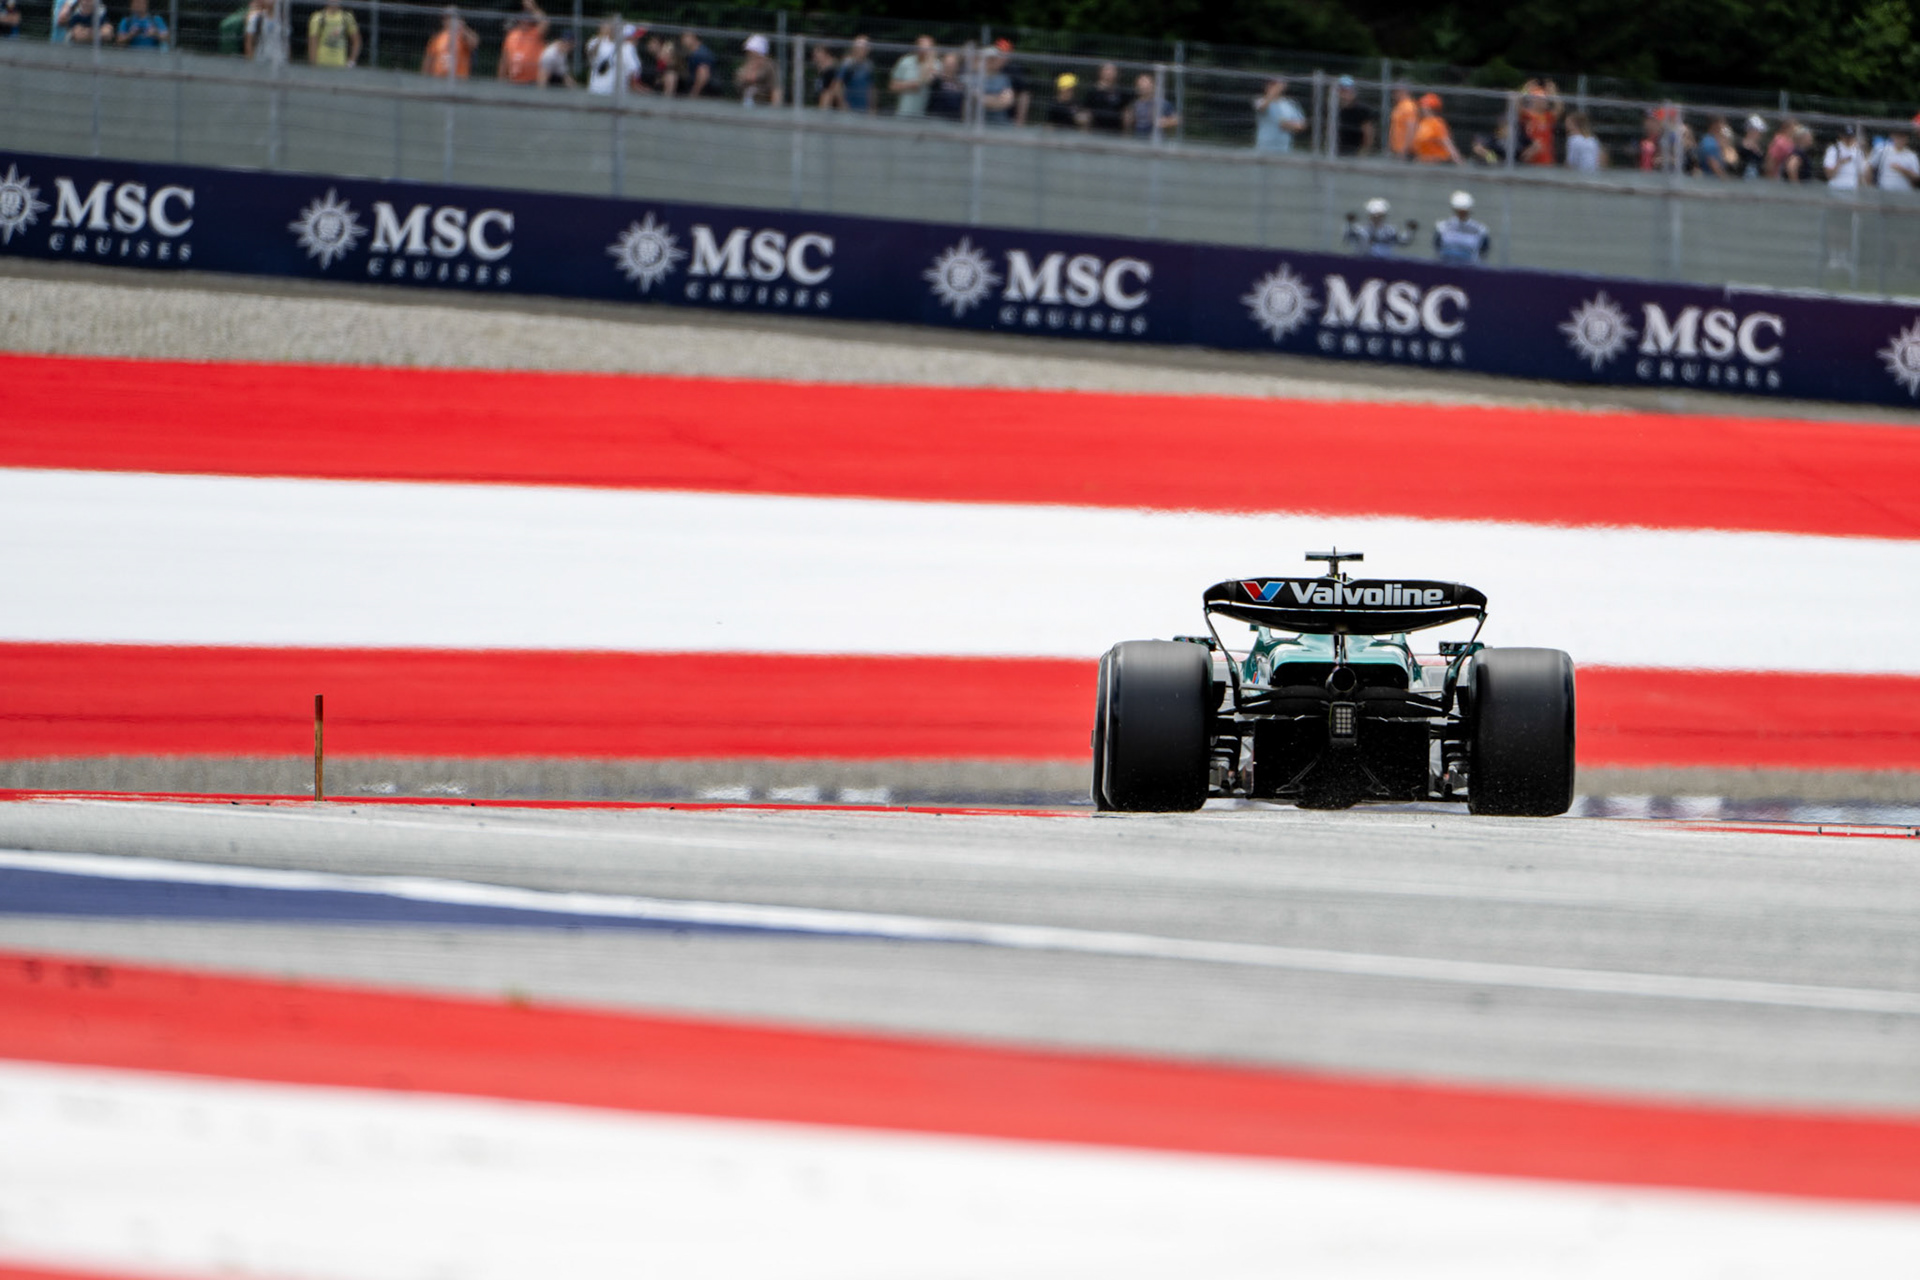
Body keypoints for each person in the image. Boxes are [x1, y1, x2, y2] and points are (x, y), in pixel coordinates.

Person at [1343, 197, 1414, 257]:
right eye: (1374, 216)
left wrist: (1410, 231)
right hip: (1365, 264)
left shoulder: (1390, 232)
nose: (1377, 218)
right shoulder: (1361, 231)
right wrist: (1349, 223)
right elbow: (1348, 237)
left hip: (1384, 265)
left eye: (1380, 216)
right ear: (1369, 216)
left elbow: (1403, 242)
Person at [1434, 190, 1490, 264]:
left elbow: (1483, 250)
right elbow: (1438, 246)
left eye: (1464, 211)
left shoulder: (1479, 230)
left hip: (1469, 268)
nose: (1461, 214)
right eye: (1459, 211)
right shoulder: (1443, 227)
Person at [421, 5, 476, 79]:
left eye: (452, 17)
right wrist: (424, 78)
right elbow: (429, 59)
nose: (449, 21)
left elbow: (474, 43)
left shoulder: (463, 36)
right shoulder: (437, 38)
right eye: (446, 18)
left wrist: (462, 28)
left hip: (458, 80)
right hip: (438, 79)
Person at [496, 0, 544, 83]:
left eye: (527, 20)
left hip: (532, 81)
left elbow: (544, 22)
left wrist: (532, 7)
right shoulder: (512, 35)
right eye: (523, 20)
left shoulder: (535, 33)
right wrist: (501, 79)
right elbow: (504, 58)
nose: (525, 22)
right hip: (514, 80)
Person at [585, 19, 636, 95]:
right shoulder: (596, 41)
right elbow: (590, 51)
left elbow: (632, 70)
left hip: (611, 89)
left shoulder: (624, 47)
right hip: (601, 87)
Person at [1516, 79, 1561, 165]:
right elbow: (1516, 105)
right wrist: (1525, 90)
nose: (1544, 101)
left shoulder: (1547, 116)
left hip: (1545, 160)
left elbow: (1559, 109)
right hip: (1529, 158)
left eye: (1545, 99)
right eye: (1541, 99)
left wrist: (1554, 94)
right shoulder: (1527, 115)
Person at [888, 35, 936, 117]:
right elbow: (892, 86)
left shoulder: (936, 64)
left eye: (927, 48)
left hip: (924, 116)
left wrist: (929, 60)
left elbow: (928, 81)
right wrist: (909, 85)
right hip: (904, 113)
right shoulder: (905, 62)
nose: (924, 51)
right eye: (922, 47)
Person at [1253, 77, 1304, 153]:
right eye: (1273, 85)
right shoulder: (1260, 101)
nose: (1277, 88)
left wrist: (1288, 125)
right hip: (1264, 149)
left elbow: (1301, 125)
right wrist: (1273, 93)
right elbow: (1262, 108)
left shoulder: (1290, 104)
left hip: (1284, 149)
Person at [1411, 93, 1461, 164]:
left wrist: (1459, 162)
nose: (1420, 108)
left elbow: (1448, 144)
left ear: (1430, 108)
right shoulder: (1423, 122)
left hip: (1437, 164)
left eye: (1423, 106)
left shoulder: (1437, 123)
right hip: (1423, 162)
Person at [1124, 71, 1176, 139]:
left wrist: (1163, 122)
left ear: (1153, 85)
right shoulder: (1135, 104)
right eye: (1141, 84)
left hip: (1156, 141)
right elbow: (1128, 124)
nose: (1143, 87)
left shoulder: (1162, 103)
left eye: (1146, 84)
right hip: (1138, 140)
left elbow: (1176, 120)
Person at [1334, 75, 1374, 155]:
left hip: (1355, 152)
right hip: (1337, 152)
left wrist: (1364, 151)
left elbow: (1368, 132)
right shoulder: (1334, 109)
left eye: (1348, 91)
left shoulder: (1362, 110)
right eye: (1342, 91)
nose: (1345, 94)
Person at [735, 33, 780, 106]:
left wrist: (774, 110)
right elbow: (739, 81)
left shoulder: (769, 67)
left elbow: (775, 89)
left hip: (763, 106)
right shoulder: (746, 65)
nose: (750, 55)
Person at [1084, 62, 1129, 134]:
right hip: (1095, 131)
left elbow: (1126, 113)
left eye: (1112, 70)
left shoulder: (1121, 92)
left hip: (1116, 133)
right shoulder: (1092, 92)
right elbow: (1087, 112)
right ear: (1100, 72)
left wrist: (1126, 133)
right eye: (1107, 70)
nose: (1109, 73)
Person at [975, 48, 1015, 125]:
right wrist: (997, 99)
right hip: (977, 125)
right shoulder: (971, 78)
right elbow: (977, 100)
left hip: (1000, 125)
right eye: (989, 59)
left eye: (994, 59)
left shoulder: (1004, 80)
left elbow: (1007, 101)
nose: (991, 61)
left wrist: (985, 99)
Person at [1824, 124, 1869, 191]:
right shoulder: (1833, 149)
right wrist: (1840, 163)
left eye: (1851, 136)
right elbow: (1829, 175)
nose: (1848, 139)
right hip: (1835, 189)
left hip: (1852, 189)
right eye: (1846, 136)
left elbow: (1862, 173)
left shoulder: (1857, 151)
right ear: (1841, 136)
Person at [925, 51, 965, 122]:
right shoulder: (937, 80)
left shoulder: (960, 84)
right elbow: (928, 78)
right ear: (943, 64)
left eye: (952, 64)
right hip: (936, 120)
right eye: (948, 63)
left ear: (957, 66)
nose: (949, 66)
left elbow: (963, 104)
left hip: (954, 121)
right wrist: (931, 57)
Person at [839, 35, 873, 113]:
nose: (864, 49)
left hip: (864, 110)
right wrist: (843, 104)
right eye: (861, 46)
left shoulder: (868, 65)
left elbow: (870, 88)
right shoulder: (847, 64)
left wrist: (871, 107)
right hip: (849, 109)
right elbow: (837, 85)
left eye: (866, 47)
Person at [678, 29, 714, 97]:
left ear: (693, 37)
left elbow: (703, 75)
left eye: (685, 37)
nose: (682, 40)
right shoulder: (689, 53)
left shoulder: (702, 53)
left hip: (701, 90)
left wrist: (693, 94)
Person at [1387, 84, 1418, 160]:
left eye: (1396, 91)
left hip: (1404, 152)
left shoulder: (1409, 107)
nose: (1394, 94)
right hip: (1396, 150)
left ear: (1403, 91)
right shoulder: (1399, 106)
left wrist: (1405, 150)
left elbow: (1411, 129)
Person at [809, 43, 842, 109]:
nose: (815, 59)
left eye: (817, 55)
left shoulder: (832, 72)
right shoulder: (822, 73)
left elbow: (828, 95)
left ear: (826, 55)